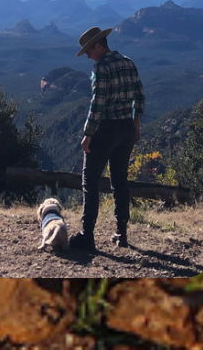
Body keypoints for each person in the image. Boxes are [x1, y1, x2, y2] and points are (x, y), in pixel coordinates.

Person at [68, 26, 144, 251]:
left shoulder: (102, 67)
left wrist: (88, 134)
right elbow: (140, 96)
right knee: (120, 180)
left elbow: (98, 103)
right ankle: (122, 233)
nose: (88, 56)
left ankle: (87, 235)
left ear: (98, 46)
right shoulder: (128, 62)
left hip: (105, 130)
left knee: (90, 180)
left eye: (89, 51)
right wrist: (136, 125)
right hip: (126, 128)